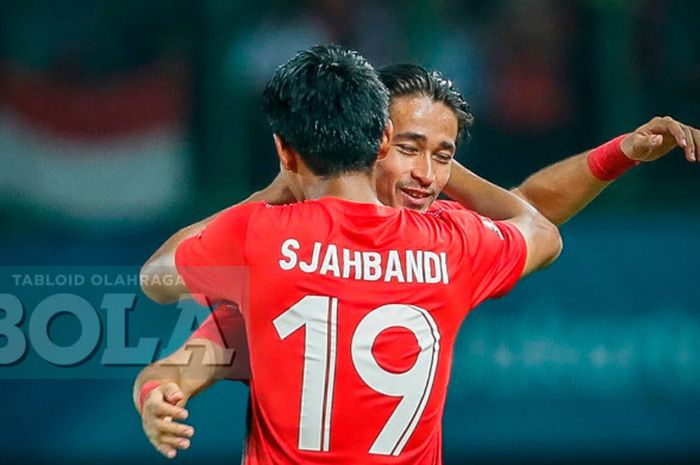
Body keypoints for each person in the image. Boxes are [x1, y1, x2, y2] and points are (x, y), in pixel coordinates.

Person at [135, 61, 699, 460]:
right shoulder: (448, 244)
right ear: (368, 141)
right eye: (409, 148)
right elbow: (529, 218)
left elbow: (182, 344)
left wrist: (156, 394)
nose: (428, 175)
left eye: (444, 156)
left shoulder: (275, 250)